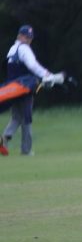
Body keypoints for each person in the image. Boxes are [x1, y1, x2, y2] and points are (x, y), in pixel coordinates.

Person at [1, 25, 59, 156]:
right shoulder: (25, 49)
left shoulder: (12, 49)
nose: (28, 40)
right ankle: (26, 150)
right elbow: (32, 65)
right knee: (26, 118)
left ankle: (4, 139)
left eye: (30, 38)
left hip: (12, 88)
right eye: (26, 37)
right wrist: (46, 74)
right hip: (24, 88)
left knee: (16, 117)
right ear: (19, 36)